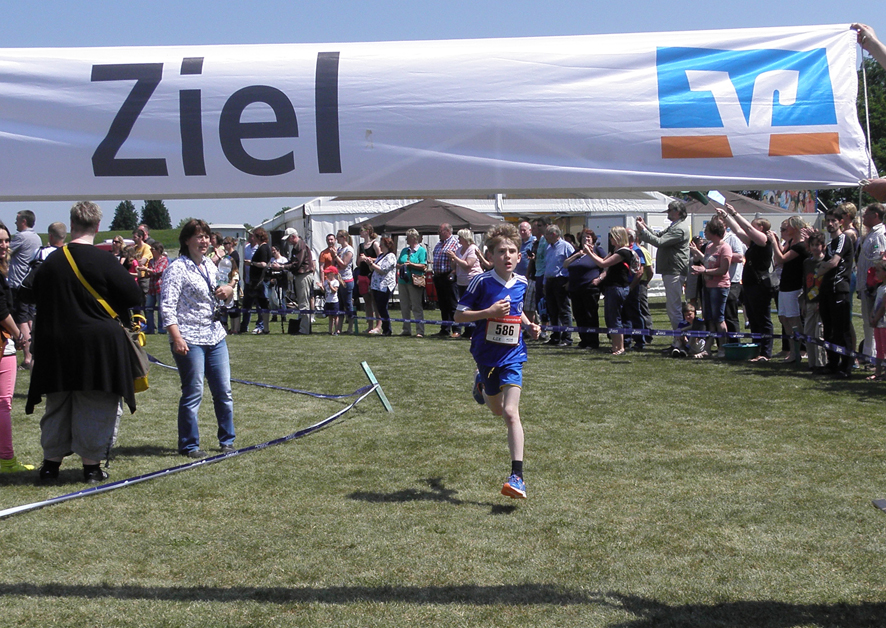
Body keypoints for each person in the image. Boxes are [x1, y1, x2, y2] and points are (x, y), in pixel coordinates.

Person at [26, 201, 143, 483]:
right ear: (98, 226)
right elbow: (134, 296)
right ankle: (91, 468)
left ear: (72, 224)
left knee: (57, 404)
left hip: (55, 344)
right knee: (96, 404)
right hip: (98, 347)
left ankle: (50, 466)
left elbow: (27, 293)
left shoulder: (51, 261)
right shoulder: (106, 260)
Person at [454, 223, 540, 499]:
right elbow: (459, 315)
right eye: (501, 251)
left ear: (519, 256)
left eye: (512, 251)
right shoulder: (481, 282)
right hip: (486, 355)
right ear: (490, 256)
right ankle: (481, 384)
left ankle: (517, 477)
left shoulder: (523, 282)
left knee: (511, 413)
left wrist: (528, 325)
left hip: (513, 355)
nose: (507, 256)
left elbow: (517, 310)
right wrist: (488, 311)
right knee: (496, 410)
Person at [160, 219, 237, 459]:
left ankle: (227, 441)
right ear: (186, 240)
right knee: (194, 392)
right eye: (199, 236)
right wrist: (176, 338)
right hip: (189, 338)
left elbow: (223, 300)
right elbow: (167, 307)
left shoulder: (210, 266)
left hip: (215, 336)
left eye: (206, 237)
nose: (204, 241)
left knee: (223, 392)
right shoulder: (176, 268)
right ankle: (189, 445)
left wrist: (229, 292)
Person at [718, 204, 775, 362]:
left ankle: (766, 352)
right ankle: (757, 349)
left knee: (763, 319)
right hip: (750, 285)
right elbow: (738, 230)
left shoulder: (764, 241)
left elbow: (747, 228)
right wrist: (726, 217)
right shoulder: (753, 243)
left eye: (755, 225)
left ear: (761, 228)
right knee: (754, 319)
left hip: (760, 285)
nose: (751, 226)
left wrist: (734, 212)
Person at [0, 221, 33, 473]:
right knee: (4, 405)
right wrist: (18, 334)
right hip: (3, 345)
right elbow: (1, 310)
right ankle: (7, 459)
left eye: (6, 240)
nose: (4, 245)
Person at [636, 201, 691, 336]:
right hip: (671, 270)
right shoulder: (676, 226)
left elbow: (659, 242)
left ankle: (680, 339)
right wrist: (645, 227)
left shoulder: (679, 228)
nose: (668, 212)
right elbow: (659, 235)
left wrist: (643, 231)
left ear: (678, 212)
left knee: (674, 308)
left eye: (670, 210)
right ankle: (680, 338)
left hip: (674, 270)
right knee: (673, 307)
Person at [586, 226, 637, 356]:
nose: (610, 239)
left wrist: (589, 253)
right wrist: (592, 252)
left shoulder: (623, 252)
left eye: (612, 236)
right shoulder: (616, 250)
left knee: (615, 318)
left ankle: (620, 347)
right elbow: (603, 260)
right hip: (611, 287)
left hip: (618, 287)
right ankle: (615, 345)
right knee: (610, 318)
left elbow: (603, 264)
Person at [818, 207, 855, 378]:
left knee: (842, 330)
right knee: (828, 329)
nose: (830, 224)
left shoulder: (843, 238)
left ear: (841, 222)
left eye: (833, 220)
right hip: (826, 289)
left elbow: (833, 263)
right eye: (828, 220)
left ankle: (846, 366)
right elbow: (822, 266)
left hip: (839, 288)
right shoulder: (830, 243)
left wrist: (822, 267)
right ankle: (832, 363)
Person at [690, 217, 733, 357]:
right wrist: (698, 257)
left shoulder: (725, 248)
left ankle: (722, 348)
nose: (705, 233)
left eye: (707, 231)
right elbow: (707, 261)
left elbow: (723, 270)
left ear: (714, 231)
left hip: (719, 287)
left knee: (719, 318)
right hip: (707, 286)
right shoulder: (709, 247)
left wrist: (705, 271)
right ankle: (708, 349)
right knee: (709, 318)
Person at [769, 217, 809, 362]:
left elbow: (781, 259)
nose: (783, 231)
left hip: (794, 286)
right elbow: (779, 257)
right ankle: (792, 350)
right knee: (783, 318)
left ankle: (800, 349)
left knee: (794, 320)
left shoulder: (801, 246)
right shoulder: (791, 243)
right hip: (785, 285)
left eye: (786, 228)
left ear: (795, 228)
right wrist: (777, 242)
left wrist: (774, 243)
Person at [9, 210, 42, 370]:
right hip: (29, 284)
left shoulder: (21, 237)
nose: (15, 223)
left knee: (21, 320)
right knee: (29, 319)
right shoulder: (36, 237)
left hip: (18, 284)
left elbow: (6, 251)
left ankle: (28, 357)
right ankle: (34, 354)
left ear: (23, 221)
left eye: (17, 220)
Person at [564, 228, 606, 349]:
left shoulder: (598, 250)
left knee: (590, 314)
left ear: (593, 239)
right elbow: (565, 264)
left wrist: (600, 278)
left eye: (588, 237)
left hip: (590, 288)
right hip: (575, 288)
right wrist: (578, 254)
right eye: (583, 237)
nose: (586, 239)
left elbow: (606, 266)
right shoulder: (577, 252)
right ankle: (583, 340)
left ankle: (593, 341)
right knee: (579, 315)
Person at [857, 203, 886, 359]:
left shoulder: (879, 235)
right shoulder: (870, 234)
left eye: (866, 214)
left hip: (873, 287)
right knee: (867, 322)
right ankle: (869, 354)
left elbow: (879, 262)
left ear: (875, 216)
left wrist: (873, 285)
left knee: (874, 322)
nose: (863, 217)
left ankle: (874, 356)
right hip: (866, 286)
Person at [448, 229, 485, 339]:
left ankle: (474, 331)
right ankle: (467, 331)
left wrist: (455, 258)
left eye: (460, 237)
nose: (458, 239)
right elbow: (454, 266)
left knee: (473, 306)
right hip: (461, 282)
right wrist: (452, 260)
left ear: (465, 238)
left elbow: (468, 265)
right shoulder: (459, 249)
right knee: (464, 307)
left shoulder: (473, 249)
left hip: (473, 281)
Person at [542, 224, 575, 347]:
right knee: (552, 310)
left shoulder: (566, 246)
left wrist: (570, 281)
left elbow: (574, 263)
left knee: (564, 310)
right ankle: (555, 336)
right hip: (550, 281)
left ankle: (567, 338)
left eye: (547, 234)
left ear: (554, 234)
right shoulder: (548, 248)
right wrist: (544, 283)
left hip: (561, 280)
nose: (545, 237)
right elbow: (547, 266)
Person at [277, 227, 313, 335]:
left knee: (304, 303)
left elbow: (296, 264)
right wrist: (282, 265)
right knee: (302, 302)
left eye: (288, 239)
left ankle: (304, 329)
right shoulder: (297, 247)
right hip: (300, 275)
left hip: (303, 275)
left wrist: (281, 267)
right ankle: (303, 327)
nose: (288, 241)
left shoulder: (300, 247)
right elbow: (292, 262)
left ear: (293, 236)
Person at [801, 231, 827, 372]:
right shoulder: (807, 263)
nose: (815, 247)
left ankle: (821, 363)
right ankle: (811, 363)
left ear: (823, 246)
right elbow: (805, 284)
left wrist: (822, 302)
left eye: (818, 245)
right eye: (813, 245)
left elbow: (827, 284)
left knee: (819, 334)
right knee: (808, 333)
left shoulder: (826, 262)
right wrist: (804, 302)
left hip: (821, 303)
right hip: (809, 301)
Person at [361, 236, 397, 336]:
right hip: (376, 286)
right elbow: (373, 269)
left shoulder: (391, 256)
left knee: (382, 307)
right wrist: (369, 263)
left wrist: (372, 264)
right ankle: (385, 329)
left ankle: (387, 330)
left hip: (385, 286)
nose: (380, 246)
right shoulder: (381, 256)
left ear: (387, 245)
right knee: (379, 307)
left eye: (382, 244)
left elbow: (383, 270)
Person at [432, 223, 461, 337]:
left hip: (450, 276)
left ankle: (456, 329)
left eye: (440, 231)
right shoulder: (439, 244)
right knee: (443, 305)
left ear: (448, 231)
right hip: (439, 277)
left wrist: (454, 271)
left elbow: (459, 259)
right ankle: (445, 329)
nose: (438, 234)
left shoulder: (455, 243)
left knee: (452, 303)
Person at [397, 228, 428, 337]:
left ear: (414, 238)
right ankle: (406, 329)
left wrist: (411, 265)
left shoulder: (421, 250)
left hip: (414, 281)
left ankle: (420, 330)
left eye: (408, 237)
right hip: (403, 281)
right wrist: (402, 266)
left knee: (416, 306)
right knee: (404, 306)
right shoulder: (404, 250)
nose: (406, 239)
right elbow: (398, 263)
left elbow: (423, 265)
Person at [241, 227, 272, 335]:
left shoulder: (263, 248)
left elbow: (263, 264)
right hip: (258, 280)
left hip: (260, 281)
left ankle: (263, 327)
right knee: (262, 305)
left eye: (254, 235)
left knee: (262, 305)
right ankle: (265, 328)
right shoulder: (265, 247)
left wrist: (251, 263)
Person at [357, 224, 382, 330]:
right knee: (367, 302)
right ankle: (370, 326)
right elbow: (357, 263)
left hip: (372, 275)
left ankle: (378, 325)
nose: (360, 232)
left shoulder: (375, 244)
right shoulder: (360, 246)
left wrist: (369, 259)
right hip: (363, 275)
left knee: (375, 301)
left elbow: (381, 258)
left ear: (367, 231)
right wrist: (361, 260)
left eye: (362, 230)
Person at [332, 230, 355, 333]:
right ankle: (339, 328)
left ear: (344, 237)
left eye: (338, 237)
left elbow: (344, 264)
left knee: (348, 303)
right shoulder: (340, 249)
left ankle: (350, 327)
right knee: (340, 304)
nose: (337, 239)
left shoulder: (349, 249)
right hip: (338, 279)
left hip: (346, 280)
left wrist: (335, 256)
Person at [144, 241, 169, 334]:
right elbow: (149, 273)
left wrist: (147, 270)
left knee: (160, 309)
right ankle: (150, 328)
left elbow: (159, 271)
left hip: (160, 288)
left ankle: (161, 329)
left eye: (152, 249)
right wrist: (145, 271)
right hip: (151, 288)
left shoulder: (164, 260)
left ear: (159, 250)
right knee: (148, 308)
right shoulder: (151, 261)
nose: (151, 250)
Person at [868, 260, 886, 380]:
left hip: (883, 322)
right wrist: (871, 316)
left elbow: (883, 307)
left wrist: (876, 318)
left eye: (879, 271)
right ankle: (878, 372)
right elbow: (875, 305)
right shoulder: (880, 287)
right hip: (877, 323)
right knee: (879, 348)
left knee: (885, 347)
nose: (876, 273)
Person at [323, 265, 342, 335]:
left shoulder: (336, 282)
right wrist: (321, 287)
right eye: (326, 273)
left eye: (328, 273)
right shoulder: (326, 281)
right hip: (328, 301)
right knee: (330, 317)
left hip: (334, 301)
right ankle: (330, 331)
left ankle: (336, 330)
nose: (327, 275)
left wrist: (330, 285)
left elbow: (334, 291)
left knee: (336, 317)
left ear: (333, 274)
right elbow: (324, 291)